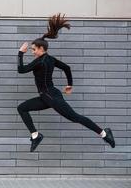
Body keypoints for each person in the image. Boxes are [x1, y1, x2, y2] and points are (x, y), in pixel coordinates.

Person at [17, 13, 115, 152]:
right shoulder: (50, 59)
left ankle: (104, 133)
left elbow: (21, 70)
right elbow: (66, 68)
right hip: (48, 96)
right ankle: (35, 135)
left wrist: (20, 53)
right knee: (22, 108)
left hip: (50, 96)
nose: (32, 52)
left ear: (41, 49)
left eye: (33, 49)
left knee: (75, 117)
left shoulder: (40, 61)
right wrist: (69, 85)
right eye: (31, 50)